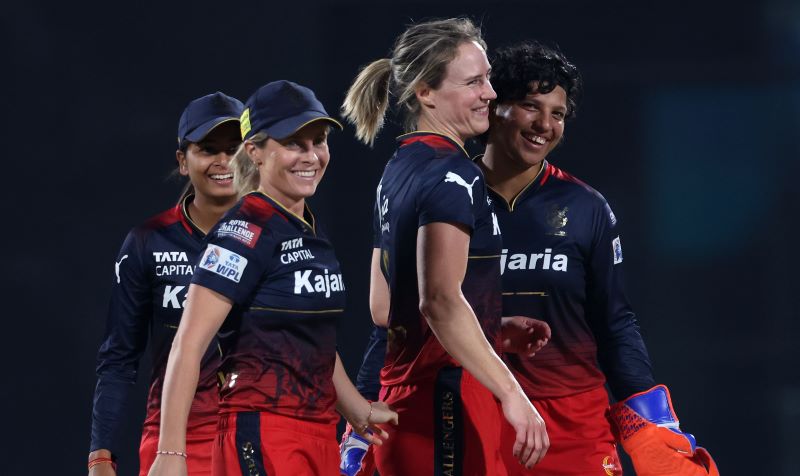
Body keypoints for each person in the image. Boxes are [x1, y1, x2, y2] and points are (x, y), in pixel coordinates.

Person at [479, 41, 718, 476]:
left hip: (573, 427)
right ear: (494, 107)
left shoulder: (585, 207)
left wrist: (655, 425)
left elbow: (614, 322)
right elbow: (408, 316)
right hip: (473, 417)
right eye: (531, 106)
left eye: (558, 114)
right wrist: (361, 427)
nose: (545, 125)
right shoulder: (448, 195)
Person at [147, 80, 398, 476]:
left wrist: (358, 410)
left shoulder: (306, 228)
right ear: (255, 152)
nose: (311, 156)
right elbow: (188, 343)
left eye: (319, 141)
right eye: (294, 143)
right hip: (263, 433)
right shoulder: (243, 231)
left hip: (317, 433)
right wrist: (171, 453)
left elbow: (311, 341)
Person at [341, 17, 549, 476]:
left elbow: (383, 306)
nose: (490, 93)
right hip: (446, 403)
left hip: (407, 403)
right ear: (425, 92)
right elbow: (438, 301)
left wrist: (489, 326)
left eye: (488, 79)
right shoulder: (454, 174)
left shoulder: (398, 168)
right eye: (473, 82)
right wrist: (513, 394)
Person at [88, 91, 245, 476]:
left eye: (234, 149)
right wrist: (101, 456)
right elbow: (119, 358)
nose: (224, 161)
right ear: (182, 161)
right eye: (208, 149)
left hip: (260, 434)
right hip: (177, 443)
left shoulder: (281, 236)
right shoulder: (148, 241)